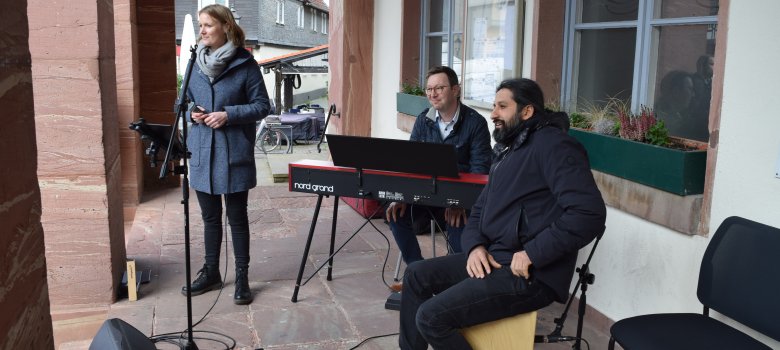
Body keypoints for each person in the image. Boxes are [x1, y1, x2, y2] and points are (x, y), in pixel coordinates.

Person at [398, 78, 607, 350]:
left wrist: (533, 253)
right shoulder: (510, 148)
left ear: (527, 111)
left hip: (530, 275)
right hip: (496, 258)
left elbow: (588, 213)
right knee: (416, 275)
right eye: (494, 106)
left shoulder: (554, 146)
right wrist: (474, 247)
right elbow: (480, 209)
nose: (493, 113)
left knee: (431, 317)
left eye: (502, 106)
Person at [180, 4, 271, 305]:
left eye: (207, 25)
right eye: (200, 25)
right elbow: (180, 102)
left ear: (225, 27)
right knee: (209, 218)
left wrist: (228, 115)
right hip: (203, 153)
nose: (202, 31)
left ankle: (242, 276)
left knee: (237, 218)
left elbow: (262, 106)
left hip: (233, 154)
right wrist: (192, 111)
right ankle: (211, 272)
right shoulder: (194, 62)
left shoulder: (246, 64)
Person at [386, 66, 492, 291]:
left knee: (460, 234)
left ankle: (452, 284)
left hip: (459, 201)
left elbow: (480, 171)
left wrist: (458, 202)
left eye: (439, 88)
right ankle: (419, 274)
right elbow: (410, 165)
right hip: (426, 196)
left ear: (455, 90)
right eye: (429, 89)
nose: (433, 94)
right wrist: (401, 197)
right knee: (395, 213)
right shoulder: (423, 120)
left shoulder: (476, 123)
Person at [655, 70, 706, 141]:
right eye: (689, 89)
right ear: (676, 92)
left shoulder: (683, 116)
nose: (693, 95)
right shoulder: (661, 120)